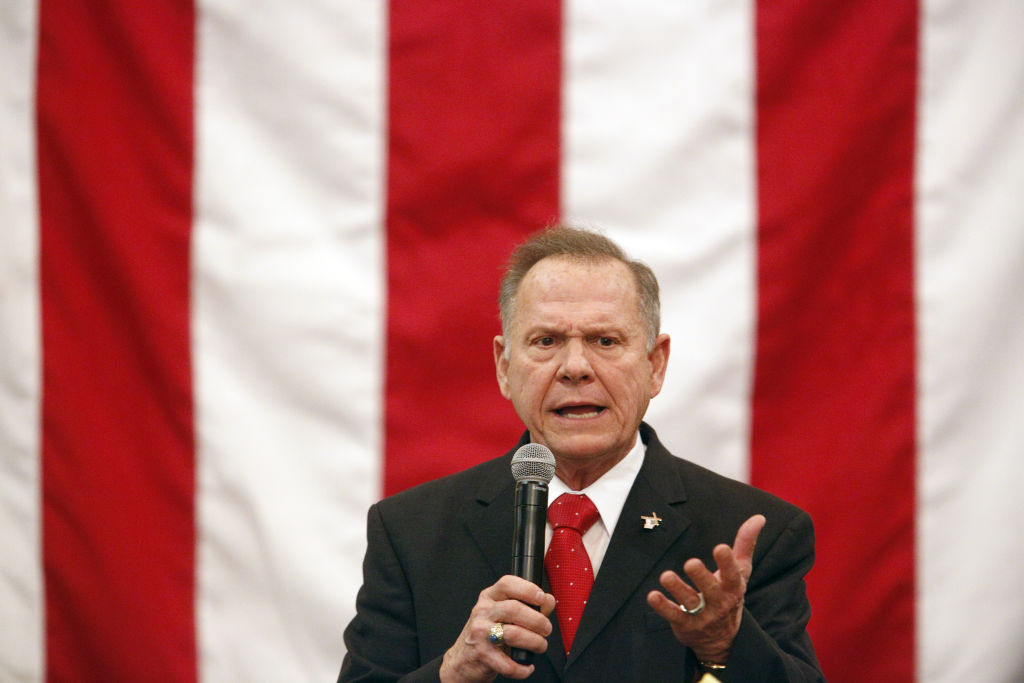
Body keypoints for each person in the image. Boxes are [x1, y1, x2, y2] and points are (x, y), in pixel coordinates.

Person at [339, 226, 824, 682]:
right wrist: (451, 672)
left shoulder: (750, 537)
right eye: (546, 341)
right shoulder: (410, 533)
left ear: (655, 365)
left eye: (604, 341)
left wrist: (725, 647)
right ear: (504, 366)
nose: (575, 367)